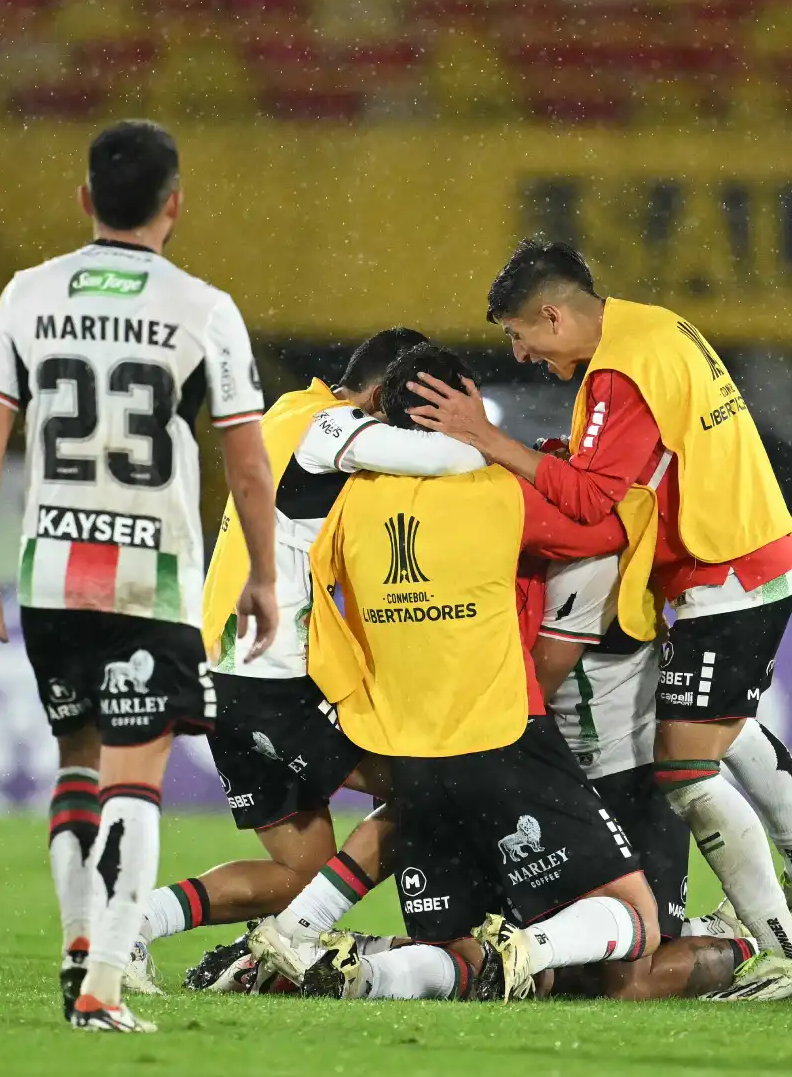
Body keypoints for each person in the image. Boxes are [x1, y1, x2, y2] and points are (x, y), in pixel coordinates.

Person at [406, 240, 792, 1000]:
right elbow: (634, 467)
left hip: (726, 571)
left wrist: (485, 437)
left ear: (553, 314)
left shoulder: (620, 372)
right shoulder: (653, 327)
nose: (523, 354)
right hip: (750, 554)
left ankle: (789, 950)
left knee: (684, 769)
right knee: (725, 726)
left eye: (522, 335)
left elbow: (590, 500)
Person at [0, 120, 280, 1032]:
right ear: (175, 204)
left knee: (78, 766)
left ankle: (76, 945)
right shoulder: (203, 308)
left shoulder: (28, 295)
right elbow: (248, 465)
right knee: (137, 784)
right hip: (151, 580)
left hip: (51, 572)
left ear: (85, 201)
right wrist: (260, 573)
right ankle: (99, 988)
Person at [264, 343, 663, 1002]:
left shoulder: (344, 504)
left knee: (447, 950)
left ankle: (362, 975)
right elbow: (603, 527)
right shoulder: (498, 491)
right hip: (502, 737)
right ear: (467, 402)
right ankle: (530, 948)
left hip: (409, 752)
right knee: (636, 919)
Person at [138, 327, 490, 987]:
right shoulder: (326, 426)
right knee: (429, 787)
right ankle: (295, 939)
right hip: (271, 681)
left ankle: (129, 926)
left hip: (232, 677)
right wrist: (484, 439)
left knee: (296, 874)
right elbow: (452, 462)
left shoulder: (285, 414)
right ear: (385, 396)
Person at [534, 553, 792, 1000]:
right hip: (558, 776)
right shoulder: (527, 538)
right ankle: (786, 898)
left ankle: (778, 943)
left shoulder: (588, 535)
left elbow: (532, 683)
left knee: (626, 980)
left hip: (629, 771)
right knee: (538, 960)